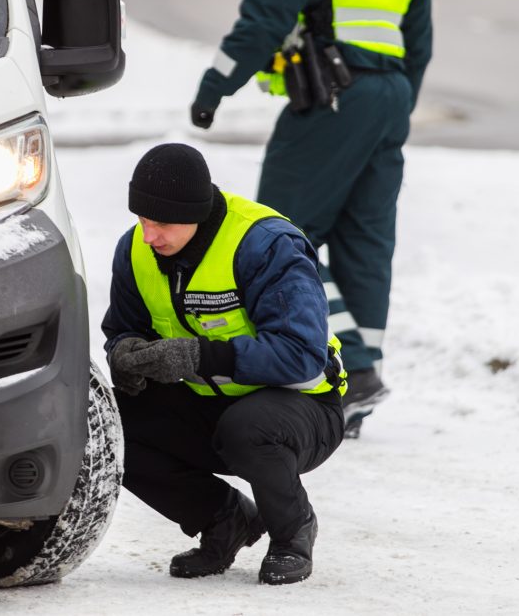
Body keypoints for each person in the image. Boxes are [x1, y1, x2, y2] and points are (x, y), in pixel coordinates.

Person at [190, 0, 433, 438]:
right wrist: (389, 108)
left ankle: (355, 371)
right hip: (390, 95)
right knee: (365, 246)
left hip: (334, 95)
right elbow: (419, 45)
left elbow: (264, 21)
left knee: (277, 237)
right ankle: (356, 394)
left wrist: (213, 87)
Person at [103, 143, 346, 585]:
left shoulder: (265, 245)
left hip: (302, 408)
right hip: (210, 402)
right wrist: (124, 354)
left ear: (195, 213)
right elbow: (123, 327)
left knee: (246, 427)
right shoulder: (136, 249)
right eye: (141, 219)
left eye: (161, 223)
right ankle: (224, 519)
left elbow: (301, 353)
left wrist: (198, 355)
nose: (149, 234)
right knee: (107, 423)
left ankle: (292, 533)